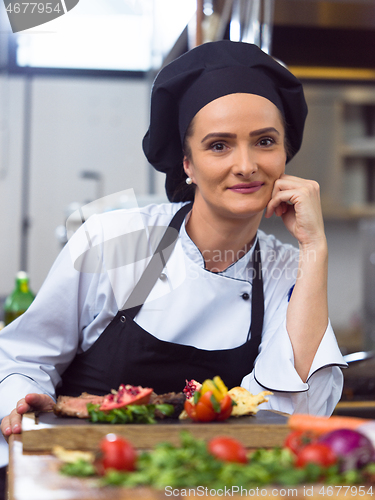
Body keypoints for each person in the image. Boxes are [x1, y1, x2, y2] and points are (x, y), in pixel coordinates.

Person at [0, 41, 346, 470]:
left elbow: (298, 412)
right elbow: (23, 357)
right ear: (187, 163)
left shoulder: (284, 270)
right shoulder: (116, 240)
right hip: (77, 473)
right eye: (219, 145)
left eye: (264, 141)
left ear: (285, 153)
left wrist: (314, 249)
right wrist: (22, 401)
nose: (245, 164)